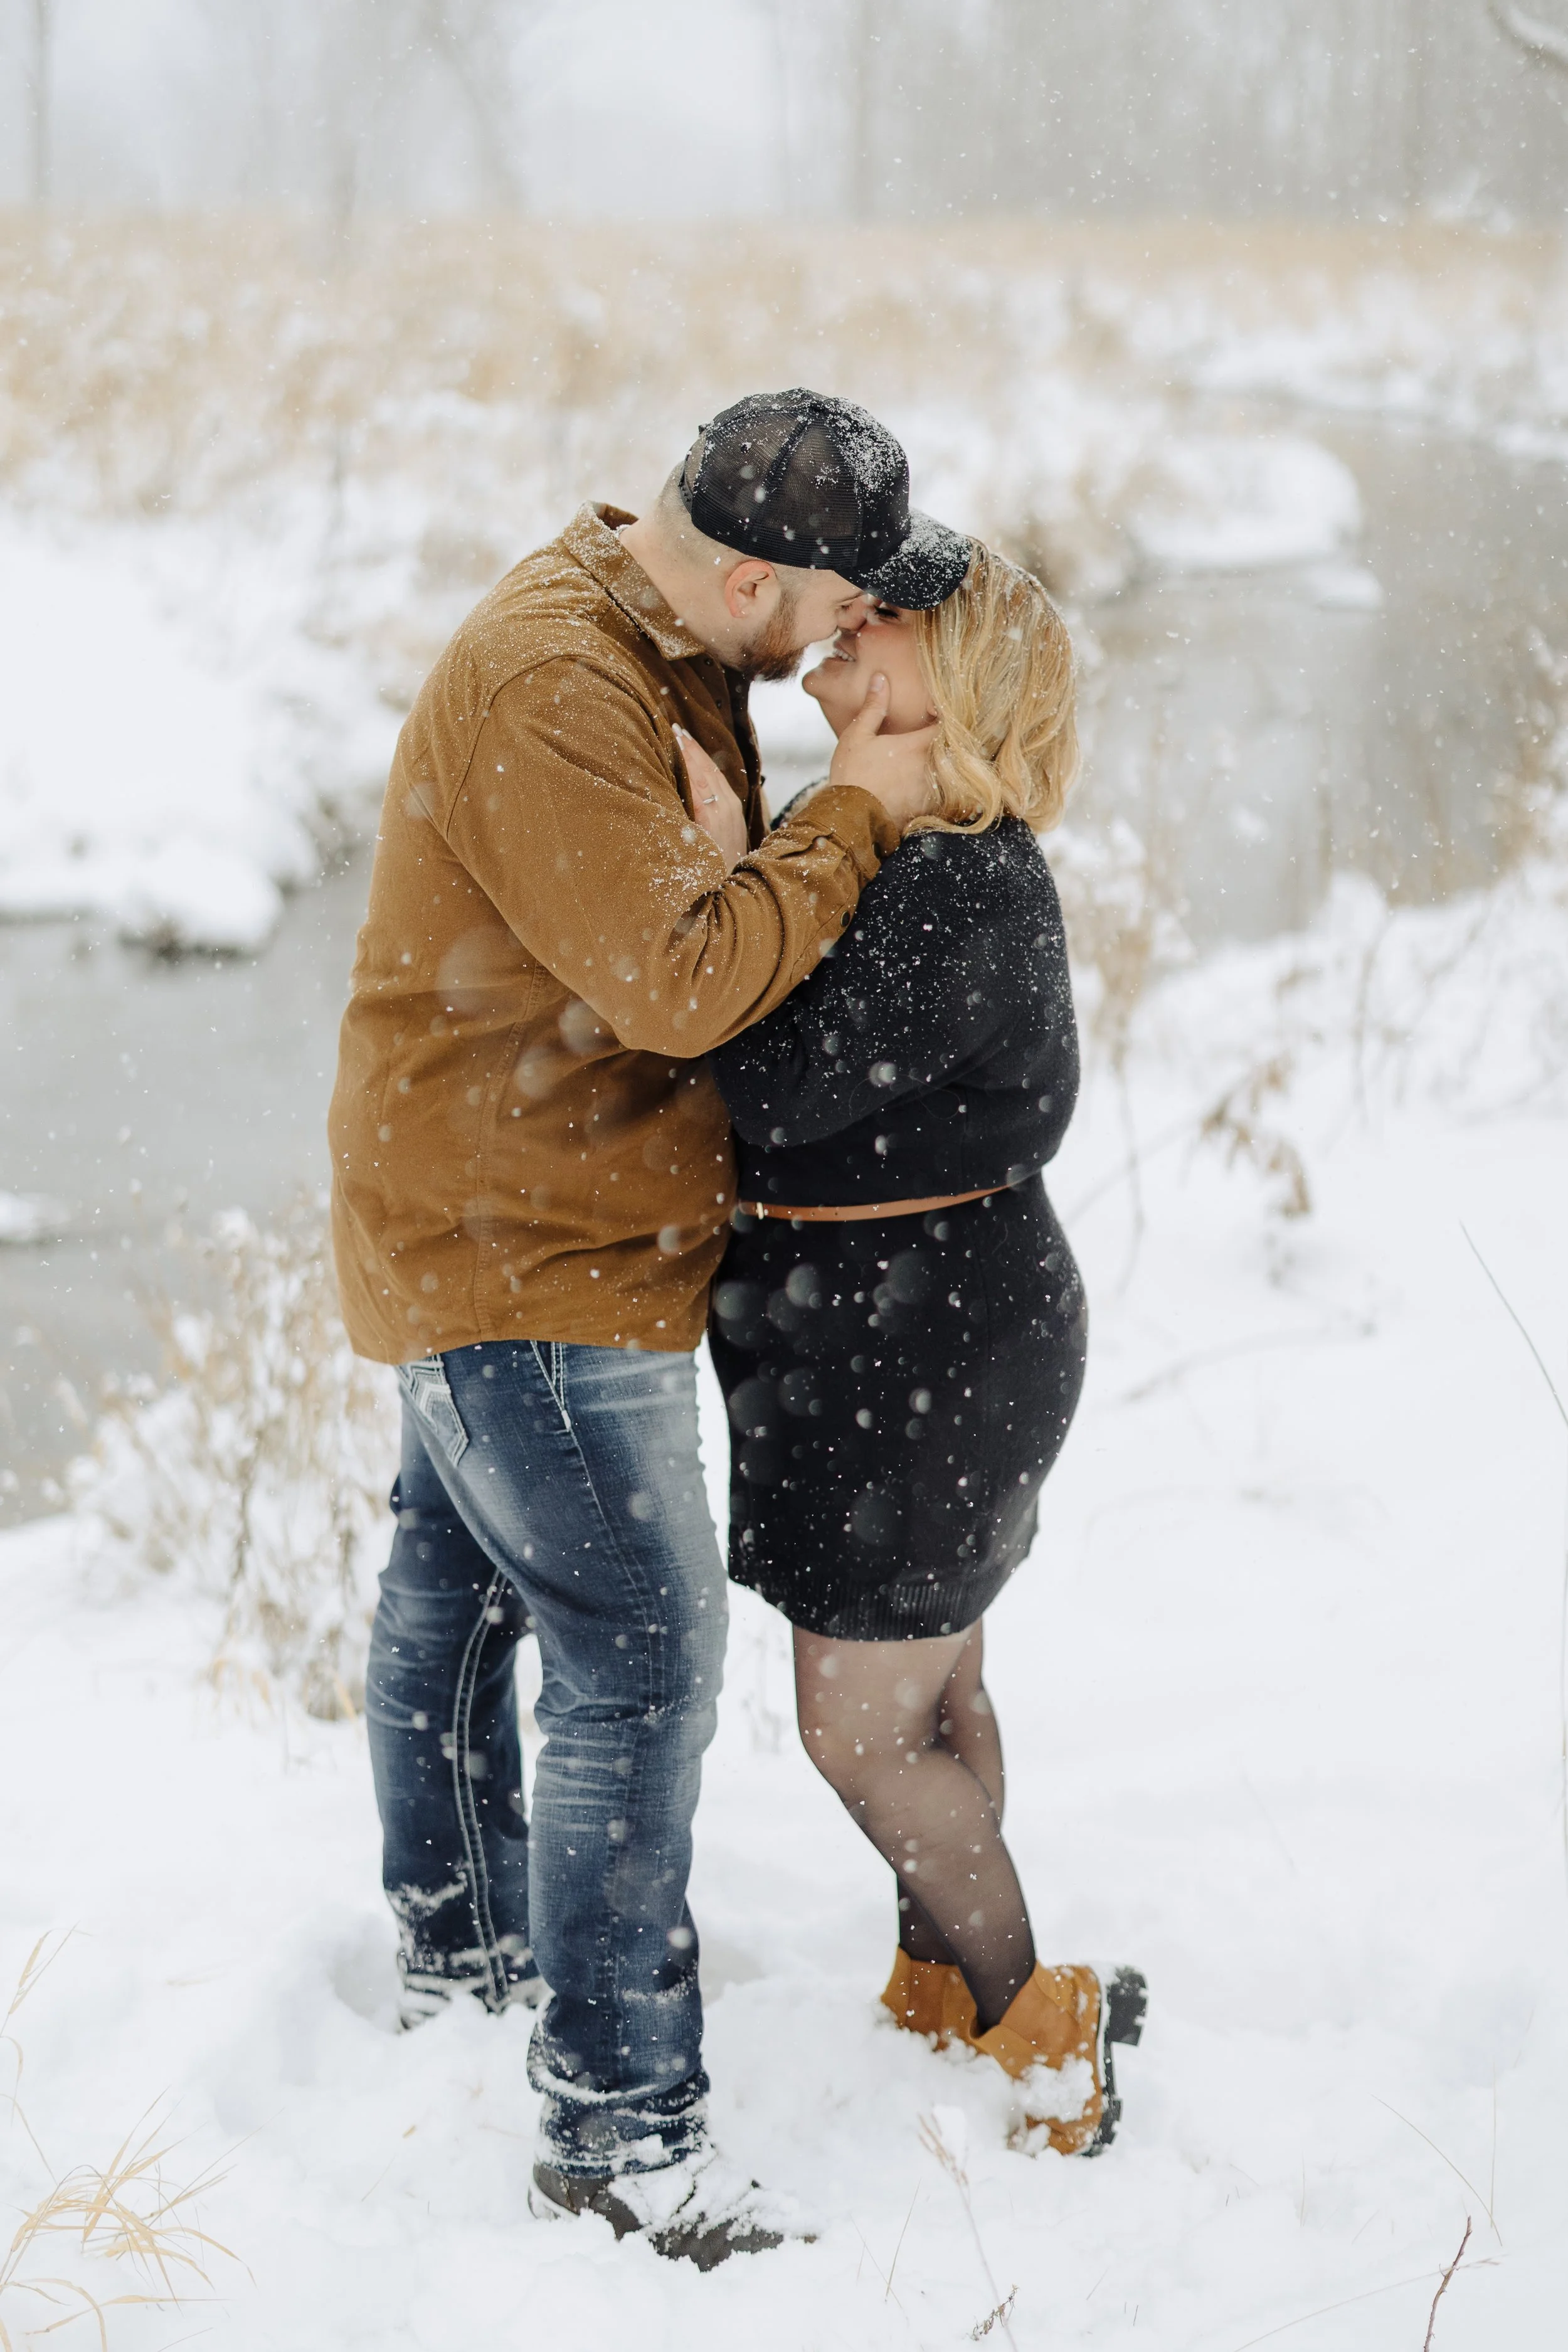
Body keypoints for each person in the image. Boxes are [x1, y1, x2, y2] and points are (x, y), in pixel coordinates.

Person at [327, 389, 972, 2265]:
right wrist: (853, 805)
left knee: (451, 1589)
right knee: (638, 1638)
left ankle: (464, 1957)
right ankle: (617, 2130)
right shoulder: (562, 687)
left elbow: (661, 931)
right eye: (839, 606)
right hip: (525, 1250)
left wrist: (737, 837)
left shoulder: (653, 628)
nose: (853, 637)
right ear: (751, 570)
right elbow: (682, 981)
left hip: (487, 1206)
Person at [691, 543, 1147, 2158]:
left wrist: (718, 856)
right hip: (908, 1327)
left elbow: (776, 1082)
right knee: (936, 1687)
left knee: (860, 1726)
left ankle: (1041, 2026)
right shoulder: (918, 853)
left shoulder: (951, 868)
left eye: (883, 615)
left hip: (920, 1337)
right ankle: (945, 1976)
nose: (845, 618)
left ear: (948, 681)